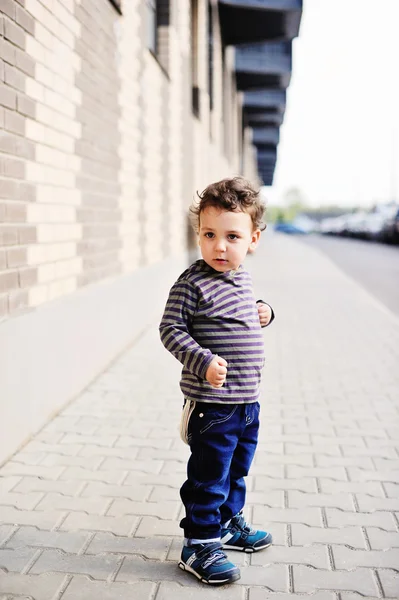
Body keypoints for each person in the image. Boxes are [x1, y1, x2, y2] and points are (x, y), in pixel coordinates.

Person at [159, 177, 274, 585]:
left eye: (231, 236)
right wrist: (203, 361)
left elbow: (243, 313)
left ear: (252, 239)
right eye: (209, 235)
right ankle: (199, 543)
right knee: (209, 475)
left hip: (247, 404)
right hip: (212, 406)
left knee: (236, 470)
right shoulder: (191, 283)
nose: (219, 246)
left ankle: (226, 525)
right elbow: (170, 329)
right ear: (199, 235)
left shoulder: (241, 278)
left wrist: (264, 311)